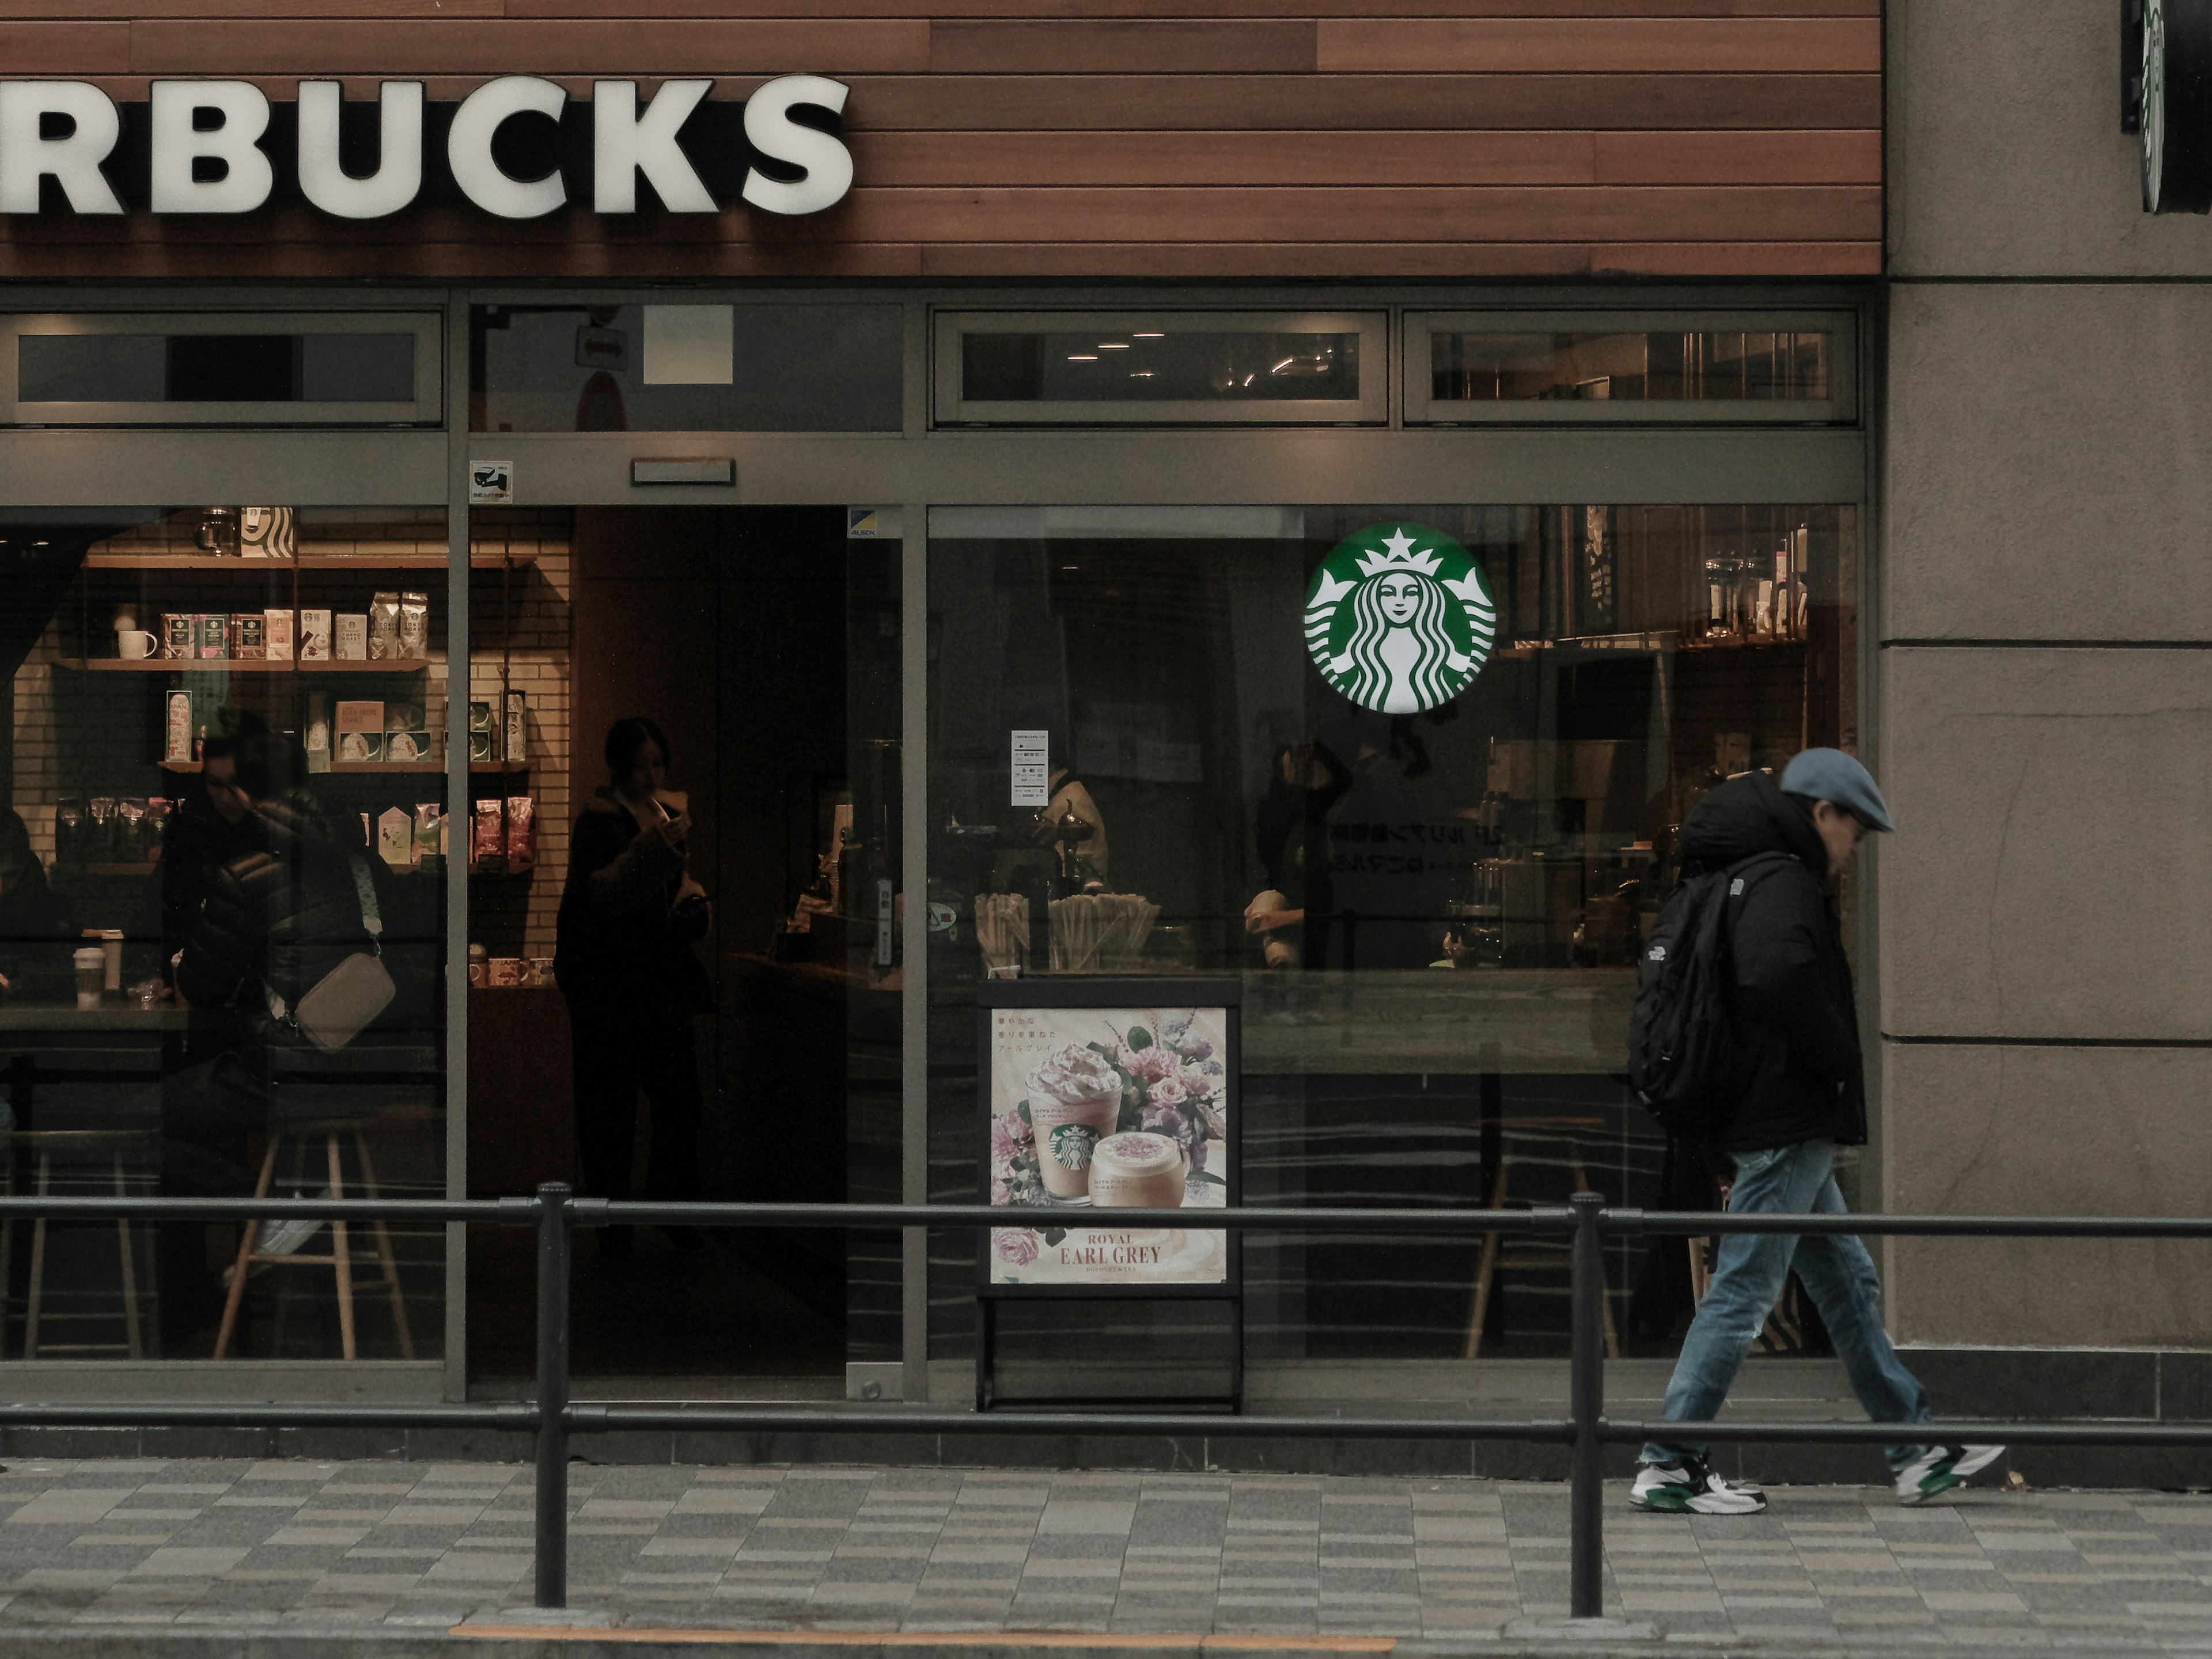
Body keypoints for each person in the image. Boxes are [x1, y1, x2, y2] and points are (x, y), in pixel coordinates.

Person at [1631, 748, 2003, 1514]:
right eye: (1854, 832)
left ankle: (1915, 1449)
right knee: (1745, 1290)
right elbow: (1775, 976)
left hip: (1778, 1125)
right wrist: (1838, 1057)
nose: (1852, 851)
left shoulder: (1741, 876)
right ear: (1823, 814)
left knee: (1845, 1282)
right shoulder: (1784, 881)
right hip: (1784, 1125)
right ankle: (1668, 1460)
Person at [160, 730, 384, 1348]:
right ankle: (312, 1244)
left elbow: (203, 987)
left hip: (291, 1074)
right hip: (373, 1072)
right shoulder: (359, 858)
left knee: (147, 1112)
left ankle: (267, 1217)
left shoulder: (249, 871)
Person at [554, 717, 711, 1259]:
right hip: (610, 986)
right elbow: (601, 895)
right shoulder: (599, 820)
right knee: (610, 1112)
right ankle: (613, 1227)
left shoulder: (665, 813)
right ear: (619, 765)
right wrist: (653, 851)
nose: (650, 774)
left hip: (659, 979)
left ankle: (672, 1215)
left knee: (678, 1102)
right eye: (640, 763)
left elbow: (675, 888)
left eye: (658, 763)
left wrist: (694, 906)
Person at [0, 810, 74, 1000]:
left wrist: (23, 982)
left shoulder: (39, 902)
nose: (1, 886)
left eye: (9, 876)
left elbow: (57, 967)